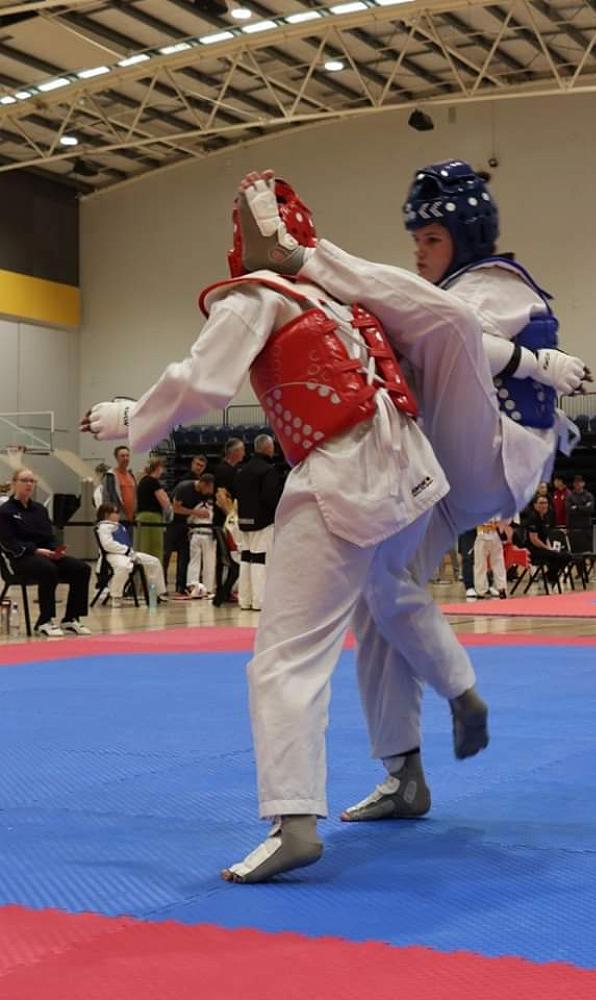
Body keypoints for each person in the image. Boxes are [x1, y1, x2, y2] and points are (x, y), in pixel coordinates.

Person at [80, 174, 499, 884]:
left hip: (342, 475)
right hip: (413, 473)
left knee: (285, 656)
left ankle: (294, 822)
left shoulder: (257, 296)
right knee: (387, 602)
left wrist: (130, 416)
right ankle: (421, 751)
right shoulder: (345, 297)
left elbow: (204, 380)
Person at [232, 166, 591, 829]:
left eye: (432, 240)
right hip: (444, 471)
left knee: (437, 321)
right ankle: (404, 772)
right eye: (416, 240)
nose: (420, 252)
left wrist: (531, 364)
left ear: (465, 236)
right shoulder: (449, 291)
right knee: (379, 591)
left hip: (493, 451)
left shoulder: (492, 284)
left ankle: (302, 253)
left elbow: (461, 334)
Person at [0, 467, 91, 636]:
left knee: (81, 569)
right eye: (24, 480)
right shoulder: (6, 511)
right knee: (48, 569)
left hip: (45, 555)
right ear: (14, 483)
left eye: (32, 481)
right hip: (20, 559)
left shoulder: (39, 509)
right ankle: (45, 620)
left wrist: (56, 550)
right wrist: (36, 550)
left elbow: (49, 536)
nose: (29, 484)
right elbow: (8, 542)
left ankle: (71, 618)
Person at [233, 434, 283, 611]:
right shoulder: (268, 470)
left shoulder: (242, 470)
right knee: (261, 560)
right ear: (268, 448)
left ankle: (244, 599)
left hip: (244, 521)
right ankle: (259, 601)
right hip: (262, 522)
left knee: (246, 558)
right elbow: (271, 497)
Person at [95, 503, 168, 607]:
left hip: (128, 553)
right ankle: (116, 596)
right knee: (123, 567)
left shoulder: (119, 526)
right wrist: (125, 550)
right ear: (107, 514)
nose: (118, 515)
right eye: (116, 512)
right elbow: (107, 544)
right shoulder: (103, 527)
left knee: (153, 562)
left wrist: (129, 552)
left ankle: (155, 593)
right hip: (112, 555)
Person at [163, 455, 208, 596]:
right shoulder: (184, 481)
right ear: (192, 464)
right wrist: (195, 512)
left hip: (188, 524)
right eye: (197, 464)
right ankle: (161, 586)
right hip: (173, 522)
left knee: (185, 556)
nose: (198, 467)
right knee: (166, 553)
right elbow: (174, 505)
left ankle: (181, 586)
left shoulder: (204, 485)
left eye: (201, 466)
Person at [525, 494, 571, 587]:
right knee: (556, 556)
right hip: (533, 550)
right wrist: (548, 549)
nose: (544, 505)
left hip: (543, 548)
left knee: (566, 556)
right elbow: (534, 540)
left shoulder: (546, 518)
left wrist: (550, 548)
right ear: (535, 505)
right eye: (541, 503)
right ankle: (550, 578)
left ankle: (547, 576)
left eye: (545, 503)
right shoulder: (532, 518)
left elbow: (546, 537)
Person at [185, 473, 217, 598]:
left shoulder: (197, 506)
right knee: (208, 562)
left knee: (196, 561)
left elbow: (189, 520)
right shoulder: (211, 507)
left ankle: (194, 586)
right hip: (205, 535)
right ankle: (206, 588)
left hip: (198, 534)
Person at [135, 457, 172, 563]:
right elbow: (165, 502)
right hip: (152, 518)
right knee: (154, 548)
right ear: (158, 467)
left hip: (141, 516)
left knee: (142, 547)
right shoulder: (153, 482)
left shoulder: (142, 481)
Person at [102, 446, 137, 540]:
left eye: (127, 455)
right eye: (122, 456)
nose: (125, 458)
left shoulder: (131, 476)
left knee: (129, 545)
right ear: (116, 458)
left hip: (130, 519)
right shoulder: (110, 476)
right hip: (117, 519)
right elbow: (106, 497)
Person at [473, 519, 507, 599]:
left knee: (481, 564)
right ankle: (501, 588)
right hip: (487, 533)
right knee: (497, 563)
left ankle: (481, 590)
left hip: (487, 533)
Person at [566, 474, 595, 552]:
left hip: (586, 528)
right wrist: (583, 506)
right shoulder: (570, 496)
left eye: (580, 482)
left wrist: (576, 507)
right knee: (574, 551)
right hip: (573, 528)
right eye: (576, 482)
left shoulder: (589, 496)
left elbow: (590, 509)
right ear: (573, 484)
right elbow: (569, 510)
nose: (578, 484)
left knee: (587, 551)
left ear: (583, 483)